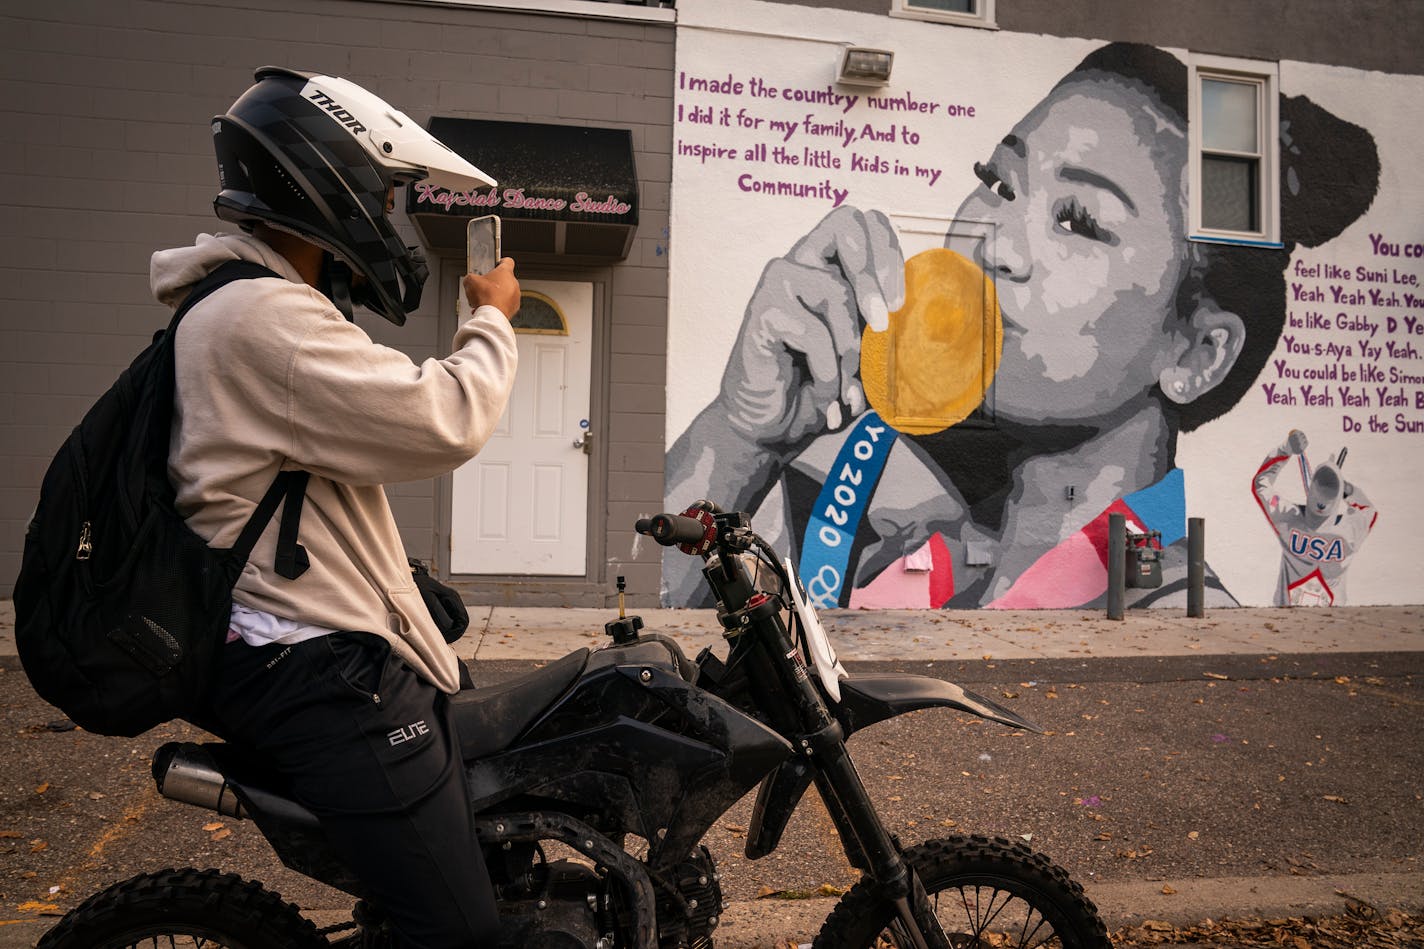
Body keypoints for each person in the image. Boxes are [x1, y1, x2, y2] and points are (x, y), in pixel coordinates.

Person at [665, 42, 1379, 610]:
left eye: (1076, 219)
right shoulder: (861, 495)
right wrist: (742, 433)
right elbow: (641, 637)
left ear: (1197, 350)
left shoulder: (1176, 626)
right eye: (1001, 182)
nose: (991, 240)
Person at [151, 67, 519, 946]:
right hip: (310, 669)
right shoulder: (264, 320)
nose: (388, 222)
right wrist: (494, 318)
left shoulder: (242, 306)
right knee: (460, 935)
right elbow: (444, 417)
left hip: (296, 643)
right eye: (384, 196)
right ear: (329, 185)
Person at [1252, 430, 1376, 606]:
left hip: (1286, 616)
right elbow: (1368, 510)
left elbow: (1260, 484)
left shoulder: (1288, 517)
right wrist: (1347, 490)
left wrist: (1285, 449)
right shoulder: (1351, 530)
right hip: (1333, 619)